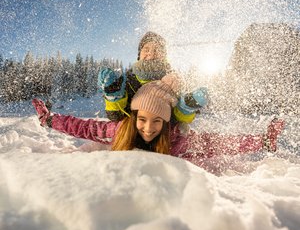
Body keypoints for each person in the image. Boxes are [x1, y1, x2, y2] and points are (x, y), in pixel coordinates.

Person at [32, 74, 285, 170]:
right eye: (142, 119)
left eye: (157, 121)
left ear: (166, 123)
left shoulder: (178, 141)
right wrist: (50, 119)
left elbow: (219, 143)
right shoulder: (120, 130)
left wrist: (261, 140)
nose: (148, 127)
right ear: (134, 117)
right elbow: (83, 127)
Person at [98, 31, 208, 124]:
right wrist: (114, 97)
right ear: (139, 54)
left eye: (157, 50)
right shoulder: (127, 80)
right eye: (146, 49)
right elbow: (116, 118)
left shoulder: (175, 81)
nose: (151, 53)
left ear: (164, 56)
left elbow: (178, 123)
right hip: (130, 138)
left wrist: (186, 109)